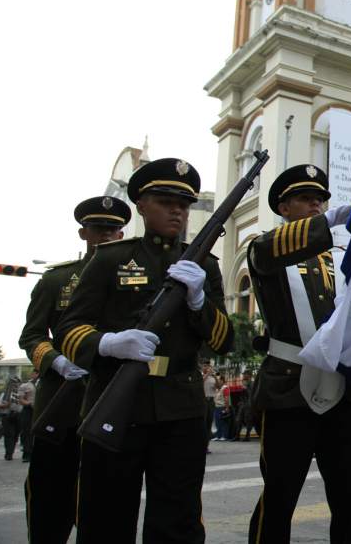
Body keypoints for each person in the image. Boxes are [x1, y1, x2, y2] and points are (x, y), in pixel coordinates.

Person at [54, 157, 233, 543]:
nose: (177, 210)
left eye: (184, 204)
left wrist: (199, 301)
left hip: (181, 408)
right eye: (165, 201)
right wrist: (108, 342)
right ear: (141, 205)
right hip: (117, 398)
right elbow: (69, 328)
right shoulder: (111, 259)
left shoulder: (206, 266)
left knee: (177, 519)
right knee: (105, 517)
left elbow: (223, 340)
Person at [245, 163, 351, 543]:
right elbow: (265, 253)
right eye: (305, 199)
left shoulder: (341, 259)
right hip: (287, 389)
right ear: (284, 207)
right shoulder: (266, 248)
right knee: (280, 498)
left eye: (320, 200)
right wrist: (329, 220)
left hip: (343, 390)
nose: (315, 206)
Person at [20, 194, 130, 540]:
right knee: (50, 496)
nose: (106, 236)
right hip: (63, 400)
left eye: (113, 230)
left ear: (123, 234)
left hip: (111, 397)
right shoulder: (56, 280)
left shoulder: (133, 279)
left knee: (106, 502)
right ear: (84, 233)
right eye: (99, 229)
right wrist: (57, 361)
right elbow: (33, 335)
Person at [0, 378, 23, 460]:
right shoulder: (4, 394)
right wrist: (6, 405)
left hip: (18, 416)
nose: (15, 385)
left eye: (17, 383)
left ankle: (11, 451)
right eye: (13, 383)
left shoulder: (20, 394)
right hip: (7, 416)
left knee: (15, 435)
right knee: (9, 435)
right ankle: (8, 453)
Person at [16, 369, 37, 462]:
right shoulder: (25, 386)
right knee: (27, 432)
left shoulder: (44, 384)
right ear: (32, 374)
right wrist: (28, 403)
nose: (37, 375)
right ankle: (27, 454)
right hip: (28, 410)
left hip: (40, 411)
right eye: (36, 373)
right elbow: (20, 399)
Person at [212, 374, 229, 441]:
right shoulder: (217, 388)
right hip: (216, 407)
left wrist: (227, 408)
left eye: (218, 380)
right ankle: (218, 436)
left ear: (222, 380)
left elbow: (226, 398)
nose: (217, 381)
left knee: (223, 422)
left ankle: (224, 436)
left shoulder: (225, 388)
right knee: (217, 422)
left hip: (222, 407)